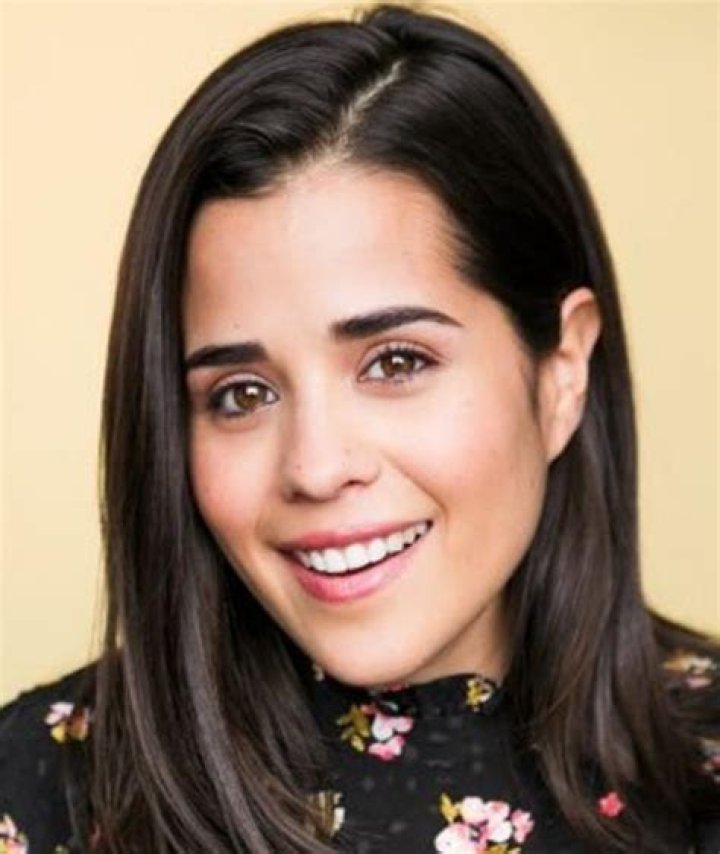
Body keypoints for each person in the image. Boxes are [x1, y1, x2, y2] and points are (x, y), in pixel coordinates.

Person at [1, 3, 718, 852]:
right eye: (241, 394)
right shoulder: (40, 794)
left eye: (396, 362)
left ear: (562, 372)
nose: (315, 466)